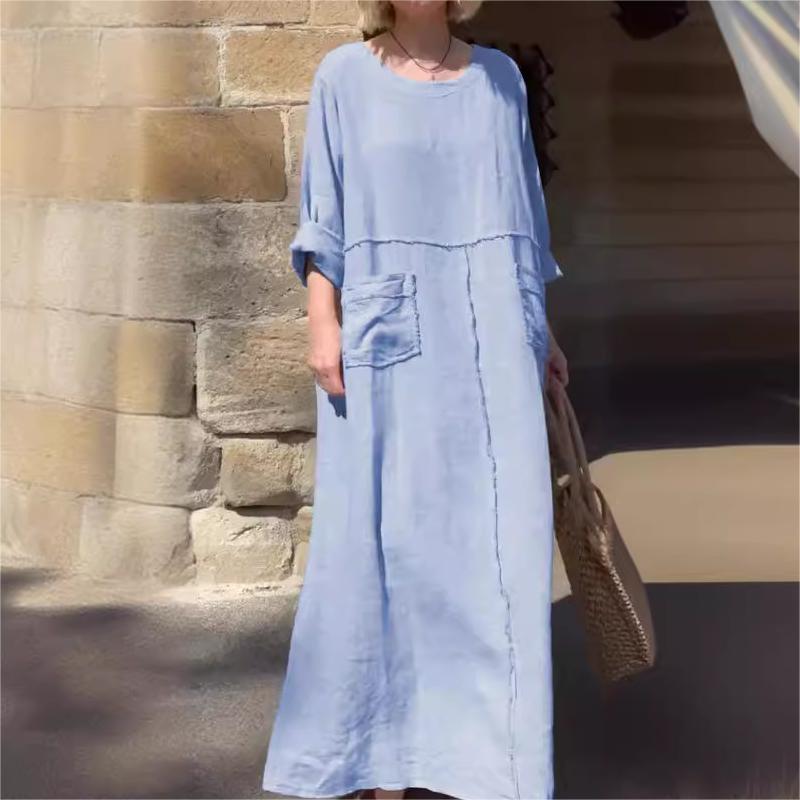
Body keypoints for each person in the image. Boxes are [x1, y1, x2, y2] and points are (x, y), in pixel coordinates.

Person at [262, 1, 570, 798]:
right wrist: (321, 320)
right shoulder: (343, 77)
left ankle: (492, 765)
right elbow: (324, 214)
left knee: (497, 549)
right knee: (381, 546)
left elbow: (526, 221)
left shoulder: (500, 79)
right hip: (385, 341)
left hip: (495, 341)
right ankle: (378, 762)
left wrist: (543, 332)